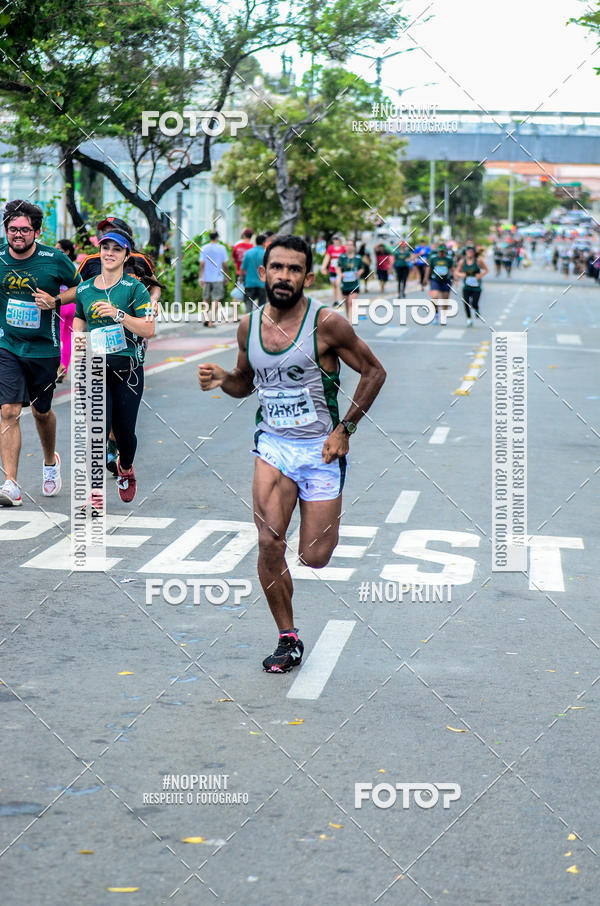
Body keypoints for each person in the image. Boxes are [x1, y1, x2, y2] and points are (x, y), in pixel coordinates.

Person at [198, 235, 386, 673]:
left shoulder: (327, 324)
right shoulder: (248, 327)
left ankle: (316, 517)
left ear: (308, 276)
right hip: (274, 446)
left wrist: (346, 429)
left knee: (313, 557)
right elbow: (246, 383)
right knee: (268, 542)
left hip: (320, 450)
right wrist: (224, 377)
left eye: (294, 269)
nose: (284, 276)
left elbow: (374, 371)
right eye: (277, 267)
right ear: (261, 273)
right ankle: (288, 637)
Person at [0, 199, 80, 506]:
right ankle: (11, 484)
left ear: (37, 231)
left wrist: (56, 301)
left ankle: (50, 462)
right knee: (8, 410)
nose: (17, 234)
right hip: (7, 345)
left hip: (44, 349)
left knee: (40, 411)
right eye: (12, 229)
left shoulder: (54, 259)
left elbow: (81, 288)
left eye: (24, 229)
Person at [72, 231, 155, 504]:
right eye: (105, 247)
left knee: (125, 433)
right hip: (95, 369)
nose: (109, 253)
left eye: (116, 249)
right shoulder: (85, 289)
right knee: (98, 428)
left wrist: (119, 315)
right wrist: (78, 351)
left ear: (126, 256)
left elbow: (149, 328)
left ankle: (126, 467)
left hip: (128, 370)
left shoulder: (135, 288)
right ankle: (93, 493)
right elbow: (80, 323)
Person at [55, 239, 77, 383]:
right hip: (73, 305)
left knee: (56, 338)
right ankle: (64, 370)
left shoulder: (58, 265)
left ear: (67, 251)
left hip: (61, 304)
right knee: (68, 339)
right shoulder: (75, 266)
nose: (56, 251)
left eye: (59, 249)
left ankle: (57, 368)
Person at [198, 231, 230, 327]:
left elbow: (202, 264)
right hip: (218, 278)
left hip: (206, 277)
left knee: (205, 298)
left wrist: (200, 277)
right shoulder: (222, 248)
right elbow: (225, 264)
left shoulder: (204, 248)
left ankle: (205, 319)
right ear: (217, 237)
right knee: (216, 299)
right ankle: (211, 321)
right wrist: (227, 276)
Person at [455, 244, 488, 326]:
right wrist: (461, 275)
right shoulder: (462, 261)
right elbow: (456, 271)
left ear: (474, 253)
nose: (469, 253)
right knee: (466, 302)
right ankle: (469, 319)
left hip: (476, 287)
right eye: (468, 251)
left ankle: (476, 308)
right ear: (466, 252)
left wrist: (480, 275)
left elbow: (486, 270)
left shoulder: (478, 261)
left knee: (474, 303)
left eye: (471, 251)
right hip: (466, 286)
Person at [425, 241, 455, 324]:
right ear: (438, 251)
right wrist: (425, 279)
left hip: (446, 280)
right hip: (435, 280)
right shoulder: (433, 258)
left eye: (443, 252)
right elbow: (428, 268)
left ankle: (444, 316)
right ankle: (436, 315)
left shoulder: (449, 259)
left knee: (445, 300)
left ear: (445, 251)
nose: (441, 253)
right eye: (440, 251)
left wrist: (455, 279)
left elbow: (452, 269)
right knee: (434, 297)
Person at [335, 238, 363, 318]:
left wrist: (359, 273)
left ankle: (351, 322)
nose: (349, 247)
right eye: (348, 245)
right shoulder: (342, 257)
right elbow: (338, 268)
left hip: (354, 284)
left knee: (351, 302)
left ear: (354, 247)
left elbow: (362, 268)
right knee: (347, 303)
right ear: (345, 246)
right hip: (345, 284)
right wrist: (340, 275)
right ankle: (348, 318)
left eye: (351, 245)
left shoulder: (358, 258)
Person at [240, 234, 266, 309]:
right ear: (264, 242)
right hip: (262, 283)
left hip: (249, 283)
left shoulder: (248, 253)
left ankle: (248, 319)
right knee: (262, 307)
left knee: (248, 304)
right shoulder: (265, 254)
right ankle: (260, 320)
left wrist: (241, 279)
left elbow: (242, 268)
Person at [321, 235, 345, 306]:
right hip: (332, 270)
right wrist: (323, 268)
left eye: (337, 239)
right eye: (334, 239)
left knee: (338, 284)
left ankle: (341, 300)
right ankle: (335, 301)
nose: (336, 240)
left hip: (340, 270)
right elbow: (327, 258)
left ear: (339, 240)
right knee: (334, 285)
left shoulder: (343, 248)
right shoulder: (330, 248)